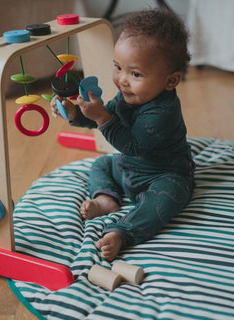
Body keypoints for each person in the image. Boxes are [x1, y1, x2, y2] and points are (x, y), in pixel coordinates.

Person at [51, 9, 195, 261]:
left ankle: (123, 232)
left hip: (161, 175)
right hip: (128, 170)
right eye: (118, 67)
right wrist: (74, 112)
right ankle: (107, 198)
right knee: (102, 163)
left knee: (170, 196)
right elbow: (103, 117)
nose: (122, 80)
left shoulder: (164, 111)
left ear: (170, 81)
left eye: (135, 73)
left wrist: (102, 118)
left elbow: (132, 145)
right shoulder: (128, 96)